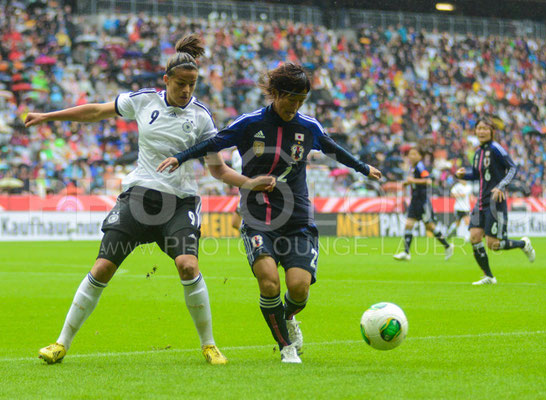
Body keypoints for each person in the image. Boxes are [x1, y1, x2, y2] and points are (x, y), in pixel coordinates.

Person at [25, 33, 275, 365]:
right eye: (181, 84)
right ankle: (61, 343)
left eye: (193, 84)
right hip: (138, 198)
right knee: (102, 268)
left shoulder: (201, 118)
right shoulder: (143, 101)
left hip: (179, 204)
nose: (187, 91)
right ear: (166, 79)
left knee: (188, 266)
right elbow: (97, 111)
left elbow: (218, 170)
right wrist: (48, 116)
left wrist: (249, 183)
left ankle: (209, 344)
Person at [157, 63, 382, 363]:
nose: (295, 106)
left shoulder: (308, 127)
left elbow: (334, 149)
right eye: (291, 98)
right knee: (269, 282)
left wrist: (363, 168)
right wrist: (181, 156)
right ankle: (287, 346)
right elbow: (214, 143)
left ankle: (287, 317)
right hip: (257, 216)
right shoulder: (250, 124)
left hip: (298, 218)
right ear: (276, 93)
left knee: (299, 289)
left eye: (302, 100)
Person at [456, 118, 535, 285]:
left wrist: (501, 186)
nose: (482, 131)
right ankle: (489, 276)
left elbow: (512, 167)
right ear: (475, 131)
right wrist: (464, 176)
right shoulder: (478, 153)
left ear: (492, 131)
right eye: (479, 128)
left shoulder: (496, 149)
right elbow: (478, 176)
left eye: (485, 128)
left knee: (493, 244)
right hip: (480, 201)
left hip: (495, 201)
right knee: (474, 237)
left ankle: (523, 243)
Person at [393, 147, 453, 262]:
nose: (411, 156)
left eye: (414, 154)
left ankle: (447, 246)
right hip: (415, 200)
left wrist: (412, 181)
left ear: (420, 156)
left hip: (423, 201)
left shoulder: (420, 166)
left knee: (430, 227)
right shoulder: (413, 167)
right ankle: (406, 252)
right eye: (410, 154)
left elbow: (428, 180)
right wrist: (407, 183)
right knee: (409, 224)